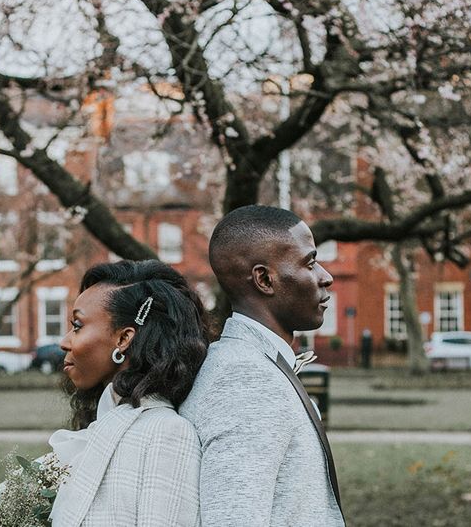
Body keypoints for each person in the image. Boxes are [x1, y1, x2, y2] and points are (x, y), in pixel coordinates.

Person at [180, 205, 345, 526]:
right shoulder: (246, 379)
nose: (326, 277)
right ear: (264, 279)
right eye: (310, 263)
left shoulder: (252, 363)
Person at [49, 259, 208, 527]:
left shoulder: (166, 432)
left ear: (123, 339)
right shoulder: (101, 424)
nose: (64, 342)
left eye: (77, 325)